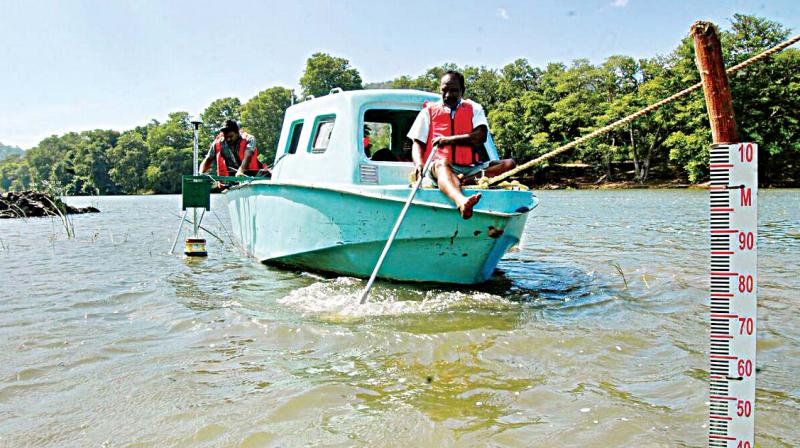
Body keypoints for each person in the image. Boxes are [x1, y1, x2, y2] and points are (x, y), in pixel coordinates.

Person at [407, 71, 516, 219]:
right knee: (440, 164)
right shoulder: (428, 112)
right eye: (444, 90)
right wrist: (419, 164)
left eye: (453, 91)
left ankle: (465, 181)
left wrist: (448, 140)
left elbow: (480, 136)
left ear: (462, 91)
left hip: (469, 169)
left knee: (509, 164)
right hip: (440, 168)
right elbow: (417, 143)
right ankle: (462, 202)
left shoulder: (474, 109)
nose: (448, 95)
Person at [199, 119, 263, 177]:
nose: (228, 139)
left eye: (231, 136)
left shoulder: (249, 139)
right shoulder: (217, 143)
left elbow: (248, 155)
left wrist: (241, 170)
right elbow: (208, 159)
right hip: (231, 178)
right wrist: (200, 173)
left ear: (237, 133)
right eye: (226, 137)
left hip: (253, 175)